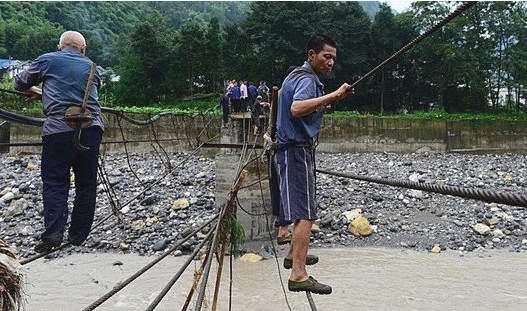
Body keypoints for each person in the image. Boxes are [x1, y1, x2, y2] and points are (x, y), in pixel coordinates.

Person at [274, 34, 354, 295]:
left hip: (288, 149)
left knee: (300, 208)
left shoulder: (296, 75)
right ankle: (298, 273)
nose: (331, 62)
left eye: (333, 58)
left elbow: (298, 109)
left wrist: (324, 103)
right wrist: (334, 94)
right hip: (296, 150)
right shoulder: (307, 79)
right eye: (326, 56)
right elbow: (297, 108)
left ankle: (292, 254)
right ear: (311, 55)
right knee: (305, 213)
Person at [14, 30, 104, 253]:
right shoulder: (93, 67)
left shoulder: (48, 60)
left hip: (58, 129)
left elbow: (20, 82)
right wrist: (48, 93)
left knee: (55, 182)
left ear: (59, 46)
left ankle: (53, 235)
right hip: (91, 129)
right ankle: (78, 234)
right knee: (87, 183)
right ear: (83, 50)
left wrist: (39, 91)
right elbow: (83, 95)